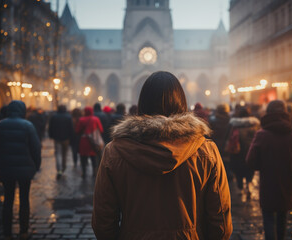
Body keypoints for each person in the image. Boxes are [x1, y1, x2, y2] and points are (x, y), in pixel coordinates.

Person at [92, 71, 232, 239]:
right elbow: (221, 220)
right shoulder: (206, 151)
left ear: (142, 102)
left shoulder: (114, 152)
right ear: (182, 102)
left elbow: (103, 219)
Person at [246, 100, 292, 240]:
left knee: (268, 218)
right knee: (282, 217)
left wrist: (263, 165)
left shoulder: (262, 135)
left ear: (268, 113)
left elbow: (250, 161)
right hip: (287, 182)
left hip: (268, 183)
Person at [0, 101, 41, 240]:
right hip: (25, 169)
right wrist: (36, 166)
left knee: (8, 200)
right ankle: (23, 231)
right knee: (24, 199)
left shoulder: (0, 125)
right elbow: (36, 149)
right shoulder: (28, 125)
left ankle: (7, 233)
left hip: (5, 169)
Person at [229, 107, 260, 195]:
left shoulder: (234, 125)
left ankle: (240, 186)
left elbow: (230, 138)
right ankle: (248, 184)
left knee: (238, 169)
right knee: (250, 169)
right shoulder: (255, 126)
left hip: (238, 152)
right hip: (251, 151)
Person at [76, 106, 104, 179]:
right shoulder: (96, 119)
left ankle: (84, 172)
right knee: (93, 157)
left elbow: (77, 131)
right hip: (93, 141)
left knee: (83, 157)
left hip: (84, 141)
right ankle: (95, 173)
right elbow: (101, 130)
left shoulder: (81, 120)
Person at [48, 105, 74, 178]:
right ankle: (63, 168)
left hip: (57, 138)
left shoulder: (54, 116)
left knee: (58, 154)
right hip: (66, 139)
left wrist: (51, 136)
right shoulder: (68, 117)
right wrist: (71, 138)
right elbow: (71, 128)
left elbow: (50, 127)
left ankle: (59, 169)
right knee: (64, 154)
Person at [209, 103, 232, 179]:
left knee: (217, 165)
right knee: (227, 164)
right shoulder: (231, 121)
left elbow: (209, 135)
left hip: (215, 146)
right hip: (227, 145)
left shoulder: (212, 120)